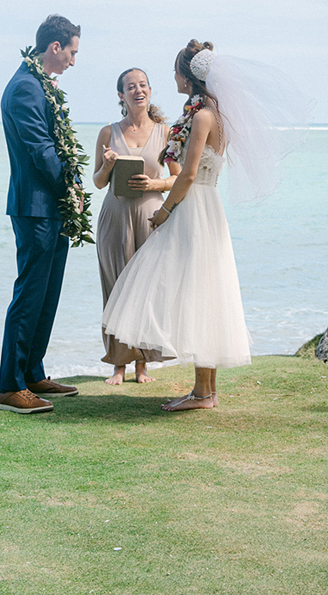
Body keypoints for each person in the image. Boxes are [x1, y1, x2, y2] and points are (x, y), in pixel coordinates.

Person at [101, 39, 252, 412]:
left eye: (175, 72)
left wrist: (165, 211)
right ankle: (205, 391)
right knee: (202, 292)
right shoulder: (211, 113)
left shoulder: (201, 117)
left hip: (195, 206)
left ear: (188, 76)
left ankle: (203, 393)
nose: (172, 78)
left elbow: (186, 174)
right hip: (204, 207)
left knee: (200, 294)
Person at [0, 14, 86, 413]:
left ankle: (32, 372)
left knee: (48, 294)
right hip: (35, 207)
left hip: (52, 207)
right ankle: (10, 386)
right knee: (29, 295)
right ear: (54, 48)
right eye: (71, 52)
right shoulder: (25, 88)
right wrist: (70, 187)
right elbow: (41, 150)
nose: (72, 61)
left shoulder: (38, 84)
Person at [93, 68, 178, 385]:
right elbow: (98, 181)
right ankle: (118, 365)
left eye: (142, 85)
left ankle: (143, 365)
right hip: (115, 219)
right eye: (131, 86)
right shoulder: (107, 132)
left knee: (148, 290)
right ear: (121, 95)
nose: (137, 90)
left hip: (152, 219)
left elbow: (178, 177)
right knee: (116, 289)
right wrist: (110, 165)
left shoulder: (166, 132)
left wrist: (153, 183)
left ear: (150, 91)